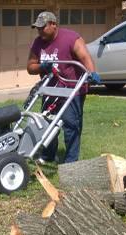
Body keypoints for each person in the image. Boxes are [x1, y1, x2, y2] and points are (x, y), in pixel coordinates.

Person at [27, 11, 101, 164]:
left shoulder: (71, 38)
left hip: (72, 90)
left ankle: (71, 161)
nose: (40, 31)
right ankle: (48, 155)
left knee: (71, 125)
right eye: (37, 28)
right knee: (46, 123)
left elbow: (85, 57)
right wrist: (42, 67)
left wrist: (92, 73)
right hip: (50, 90)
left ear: (53, 25)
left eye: (42, 27)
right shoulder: (38, 42)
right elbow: (30, 67)